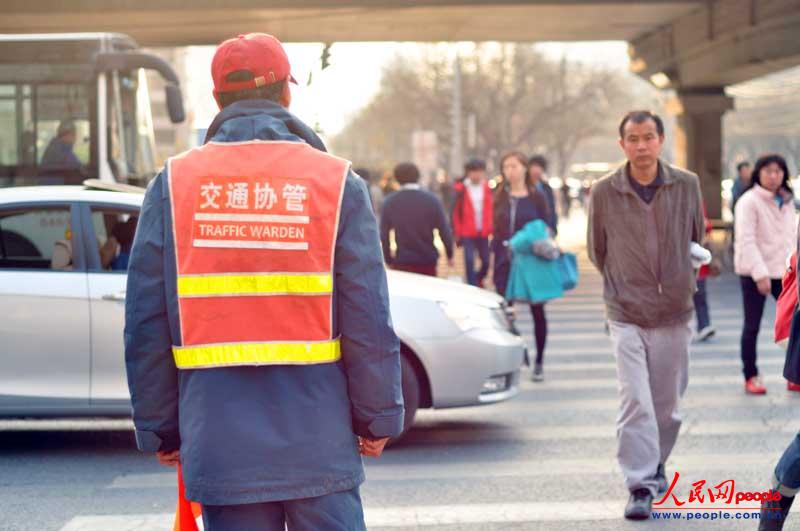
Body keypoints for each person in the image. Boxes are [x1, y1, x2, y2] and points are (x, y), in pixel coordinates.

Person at [124, 33, 404, 531]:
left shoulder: (173, 185)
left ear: (217, 99)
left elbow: (146, 320)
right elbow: (368, 313)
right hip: (319, 442)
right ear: (286, 93)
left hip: (220, 441)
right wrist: (378, 415)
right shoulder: (336, 183)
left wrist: (159, 427)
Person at [587, 110, 705, 520]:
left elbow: (696, 236)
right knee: (635, 400)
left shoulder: (686, 185)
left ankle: (655, 463)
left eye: (648, 137)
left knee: (666, 407)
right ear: (622, 144)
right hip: (626, 312)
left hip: (674, 310)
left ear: (661, 140)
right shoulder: (604, 191)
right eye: (633, 139)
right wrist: (624, 284)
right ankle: (639, 484)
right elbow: (597, 250)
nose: (641, 146)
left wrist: (676, 279)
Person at [734, 154, 797, 395]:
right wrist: (760, 274)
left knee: (794, 326)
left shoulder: (788, 200)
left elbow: (792, 238)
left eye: (778, 171)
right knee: (752, 326)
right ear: (758, 173)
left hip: (785, 273)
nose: (773, 176)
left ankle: (794, 375)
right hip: (755, 272)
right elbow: (746, 240)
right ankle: (750, 376)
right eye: (768, 171)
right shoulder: (748, 201)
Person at [493, 151, 553, 382]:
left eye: (514, 166)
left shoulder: (537, 196)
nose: (510, 171)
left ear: (524, 168)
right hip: (504, 260)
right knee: (504, 312)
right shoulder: (499, 196)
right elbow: (494, 230)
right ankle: (512, 359)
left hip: (531, 261)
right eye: (506, 167)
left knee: (538, 311)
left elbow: (546, 227)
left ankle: (539, 363)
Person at [380, 162, 454, 276]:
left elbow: (384, 234)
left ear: (397, 179)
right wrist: (450, 254)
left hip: (403, 260)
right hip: (427, 260)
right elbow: (444, 230)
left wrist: (388, 259)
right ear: (418, 177)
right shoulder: (432, 200)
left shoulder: (390, 202)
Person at [452, 159, 493, 287]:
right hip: (467, 231)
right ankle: (472, 284)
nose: (476, 175)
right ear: (468, 173)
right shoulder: (461, 190)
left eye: (479, 171)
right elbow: (455, 212)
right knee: (469, 260)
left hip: (483, 230)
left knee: (486, 261)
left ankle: (478, 278)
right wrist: (457, 232)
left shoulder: (488, 188)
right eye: (473, 171)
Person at [694, 205, 716, 342]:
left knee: (700, 293)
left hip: (697, 257)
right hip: (677, 259)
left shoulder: (697, 200)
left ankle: (704, 325)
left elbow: (707, 226)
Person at [528, 155, 558, 234]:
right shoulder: (524, 187)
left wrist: (553, 228)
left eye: (539, 167)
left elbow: (552, 209)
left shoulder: (546, 188)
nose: (536, 170)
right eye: (533, 166)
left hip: (545, 229)